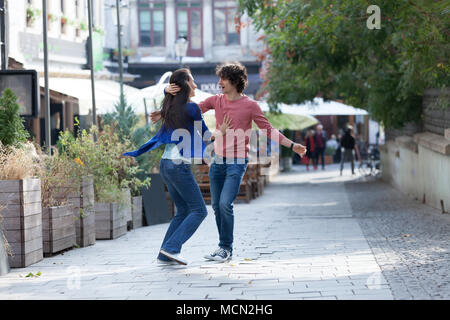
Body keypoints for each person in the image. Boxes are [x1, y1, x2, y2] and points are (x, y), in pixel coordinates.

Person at [153, 61, 307, 262]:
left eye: (222, 79)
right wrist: (167, 95)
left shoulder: (251, 106)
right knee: (216, 206)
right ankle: (221, 248)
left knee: (225, 203)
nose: (219, 83)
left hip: (237, 162)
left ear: (234, 81)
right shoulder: (216, 101)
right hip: (217, 162)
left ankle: (226, 247)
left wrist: (292, 144)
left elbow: (268, 129)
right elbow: (187, 110)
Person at [123, 68, 231, 265]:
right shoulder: (191, 108)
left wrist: (166, 91)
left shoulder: (172, 108)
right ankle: (172, 248)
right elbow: (206, 136)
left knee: (182, 211)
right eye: (192, 81)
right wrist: (221, 131)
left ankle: (164, 254)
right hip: (178, 166)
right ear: (183, 85)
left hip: (166, 165)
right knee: (199, 211)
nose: (196, 85)